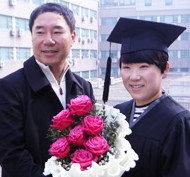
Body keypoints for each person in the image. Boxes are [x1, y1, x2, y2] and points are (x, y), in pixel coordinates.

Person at [0, 3, 94, 177]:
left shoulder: (83, 87)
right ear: (32, 37)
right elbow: (11, 156)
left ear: (73, 37)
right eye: (40, 32)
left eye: (57, 32)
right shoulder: (9, 88)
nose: (48, 40)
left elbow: (91, 142)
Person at [104, 17, 190, 177]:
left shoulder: (178, 122)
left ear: (165, 69)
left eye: (144, 67)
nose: (134, 76)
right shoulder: (117, 113)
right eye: (127, 67)